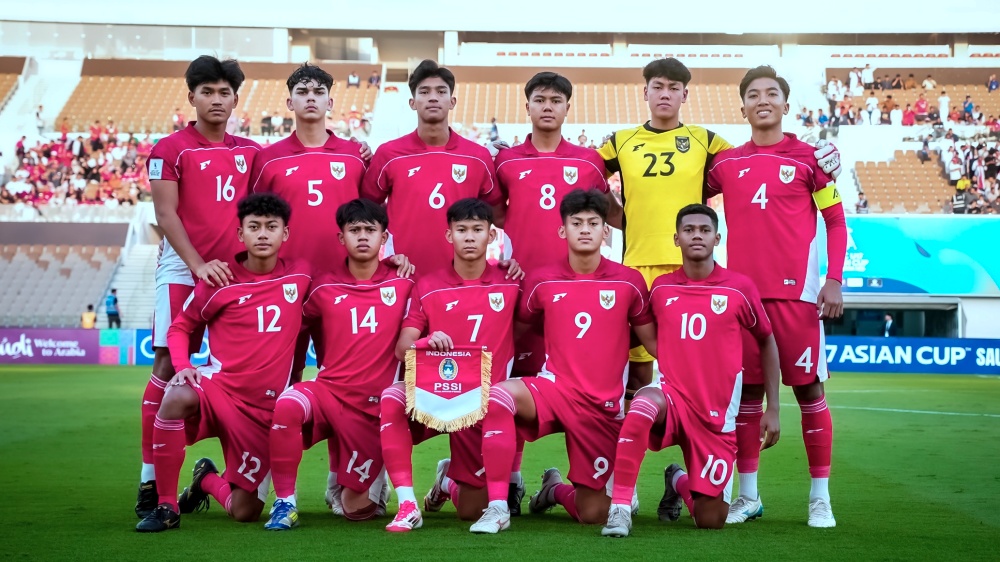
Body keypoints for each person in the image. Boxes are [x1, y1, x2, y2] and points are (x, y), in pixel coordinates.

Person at [596, 58, 843, 413]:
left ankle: (689, 448)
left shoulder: (710, 143)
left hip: (692, 273)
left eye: (673, 88)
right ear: (645, 92)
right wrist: (624, 219)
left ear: (685, 95)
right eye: (657, 87)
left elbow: (759, 159)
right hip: (636, 269)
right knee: (636, 375)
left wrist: (823, 154)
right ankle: (628, 448)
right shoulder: (621, 142)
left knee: (693, 370)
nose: (665, 94)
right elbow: (585, 172)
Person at [705, 66, 847, 529]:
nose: (762, 100)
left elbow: (835, 221)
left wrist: (834, 279)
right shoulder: (725, 165)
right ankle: (747, 496)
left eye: (771, 93)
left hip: (798, 298)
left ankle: (820, 499)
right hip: (743, 301)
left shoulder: (812, 159)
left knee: (809, 391)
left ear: (786, 105)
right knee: (747, 395)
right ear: (742, 107)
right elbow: (682, 190)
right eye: (753, 94)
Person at [471, 188, 658, 534]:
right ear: (563, 230)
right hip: (554, 390)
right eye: (576, 223)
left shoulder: (629, 282)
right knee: (498, 396)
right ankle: (497, 508)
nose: (585, 229)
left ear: (606, 231)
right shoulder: (541, 280)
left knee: (594, 512)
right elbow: (509, 334)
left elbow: (655, 344)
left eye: (593, 223)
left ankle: (553, 490)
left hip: (602, 406)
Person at [135, 193, 312, 532]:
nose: (263, 234)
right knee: (175, 396)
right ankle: (166, 505)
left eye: (271, 227)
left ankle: (205, 479)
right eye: (254, 227)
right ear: (240, 234)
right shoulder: (218, 280)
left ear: (285, 234)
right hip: (221, 390)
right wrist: (183, 366)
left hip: (264, 410)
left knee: (245, 511)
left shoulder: (302, 275)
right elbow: (180, 327)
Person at [602, 204, 780, 537]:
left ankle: (677, 480)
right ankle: (620, 509)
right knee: (641, 407)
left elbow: (767, 340)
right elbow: (642, 336)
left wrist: (773, 407)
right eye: (689, 230)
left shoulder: (739, 287)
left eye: (704, 230)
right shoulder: (661, 288)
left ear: (717, 238)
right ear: (676, 239)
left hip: (716, 418)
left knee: (710, 520)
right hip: (672, 398)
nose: (696, 235)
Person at [136, 55, 262, 519]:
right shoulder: (170, 149)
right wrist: (198, 265)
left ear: (235, 99)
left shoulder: (251, 152)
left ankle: (231, 475)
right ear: (191, 97)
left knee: (241, 371)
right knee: (168, 363)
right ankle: (150, 481)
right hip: (183, 268)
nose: (216, 100)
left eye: (224, 92)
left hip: (233, 276)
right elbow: (165, 214)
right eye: (207, 92)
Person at [492, 71, 611, 513]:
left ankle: (596, 480)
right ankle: (511, 480)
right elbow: (490, 219)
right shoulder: (505, 162)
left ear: (567, 108)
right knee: (513, 384)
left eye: (556, 100)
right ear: (527, 106)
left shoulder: (589, 162)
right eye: (539, 99)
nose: (547, 106)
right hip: (520, 293)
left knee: (582, 386)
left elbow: (611, 214)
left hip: (578, 295)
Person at [264, 199, 415, 530]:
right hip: (329, 393)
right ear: (341, 238)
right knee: (288, 404)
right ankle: (285, 502)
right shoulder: (321, 285)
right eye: (354, 230)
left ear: (384, 237)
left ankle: (359, 480)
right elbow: (290, 327)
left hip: (374, 407)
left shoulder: (405, 283)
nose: (362, 236)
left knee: (357, 512)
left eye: (370, 230)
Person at [380, 198, 522, 532]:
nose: (469, 237)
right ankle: (407, 504)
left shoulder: (511, 281)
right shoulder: (428, 286)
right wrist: (425, 342)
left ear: (491, 235)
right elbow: (403, 348)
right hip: (437, 393)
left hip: (482, 404)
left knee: (471, 511)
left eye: (477, 230)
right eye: (461, 230)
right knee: (391, 397)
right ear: (449, 235)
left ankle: (447, 482)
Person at [361, 60, 503, 275]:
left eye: (441, 91)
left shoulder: (478, 156)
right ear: (412, 102)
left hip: (462, 279)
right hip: (403, 275)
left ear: (452, 101)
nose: (433, 97)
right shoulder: (388, 154)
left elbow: (498, 214)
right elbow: (367, 207)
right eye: (424, 92)